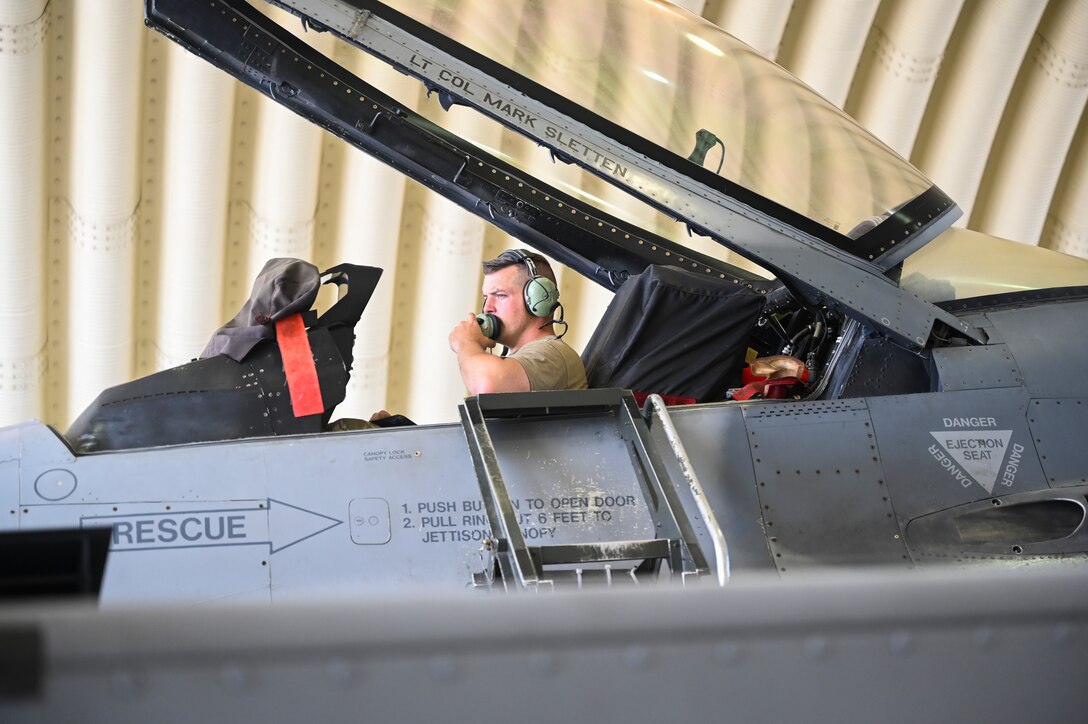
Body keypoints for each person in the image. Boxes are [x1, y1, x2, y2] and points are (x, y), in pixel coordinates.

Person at [448, 249, 588, 394]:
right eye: (486, 298)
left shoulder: (552, 355)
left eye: (501, 295)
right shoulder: (528, 358)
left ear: (539, 299)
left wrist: (466, 343)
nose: (487, 308)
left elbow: (487, 384)